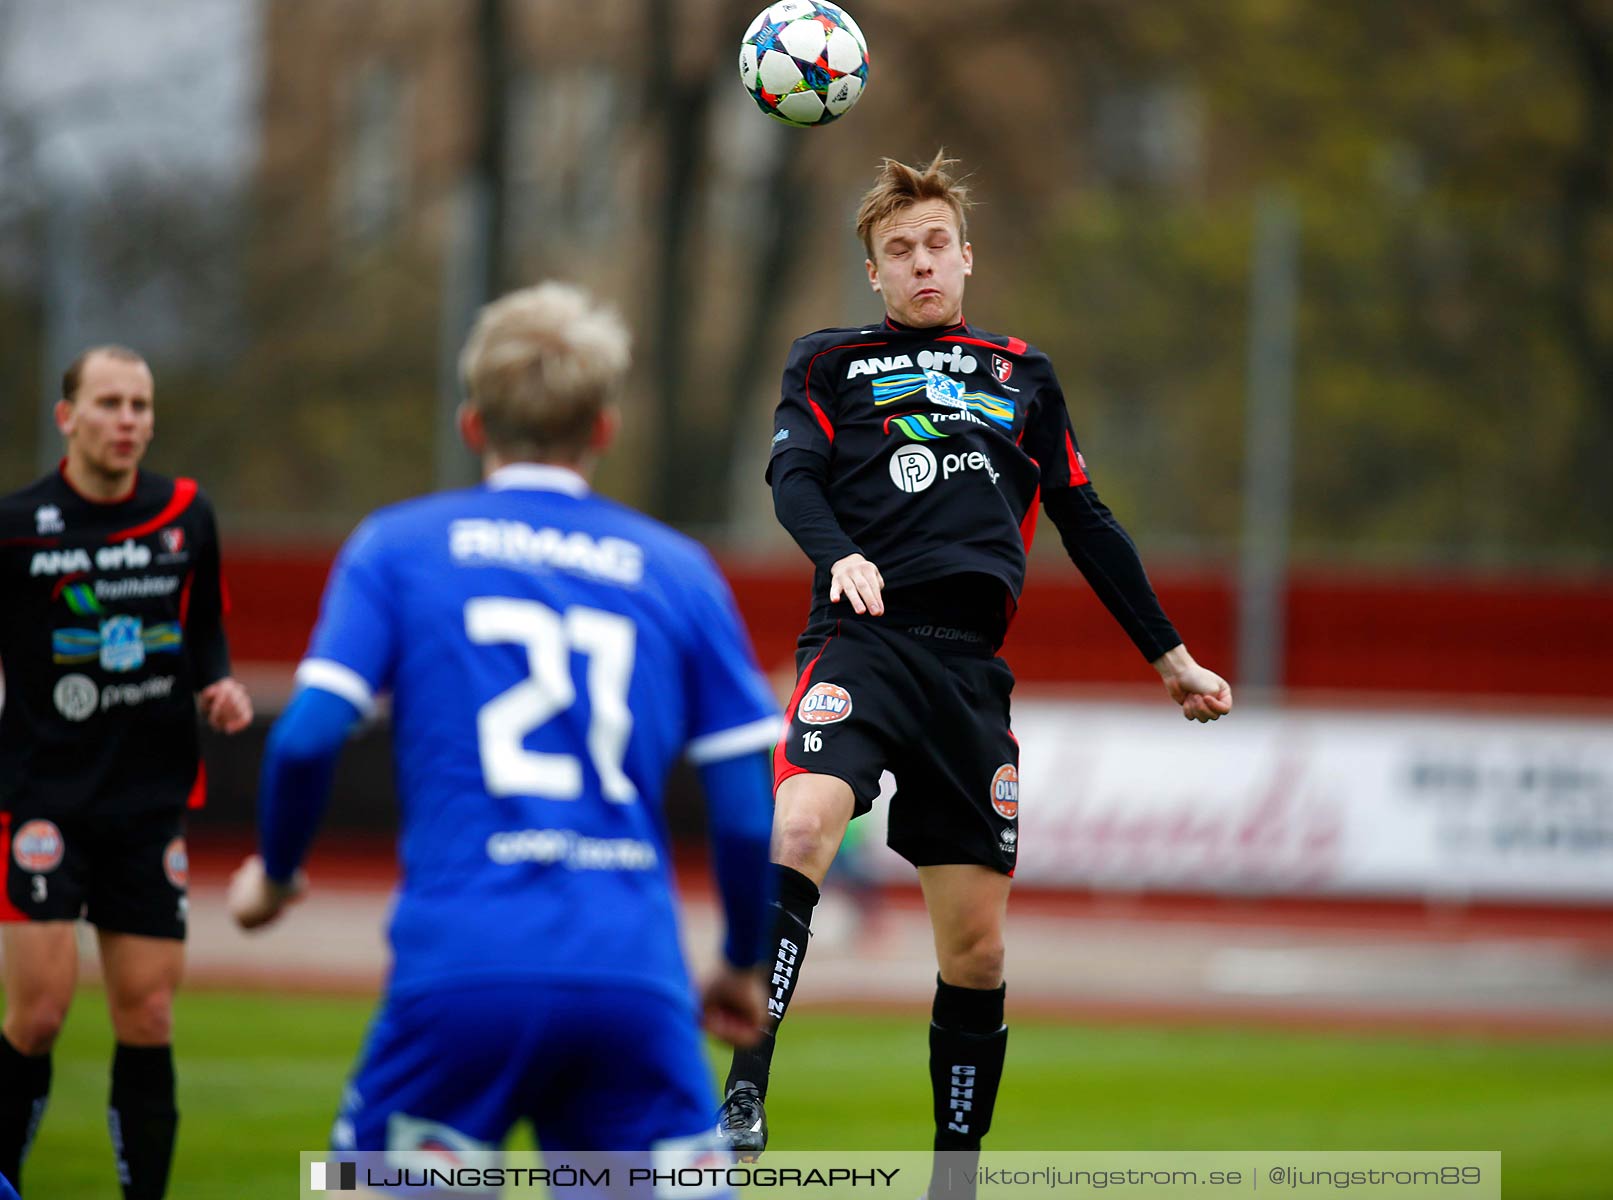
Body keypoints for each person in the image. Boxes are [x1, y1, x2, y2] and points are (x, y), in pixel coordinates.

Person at [715, 153, 1233, 1183]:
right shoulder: (829, 361)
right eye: (897, 250)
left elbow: (1085, 518)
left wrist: (1169, 656)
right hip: (861, 643)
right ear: (873, 271)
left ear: (966, 259)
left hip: (967, 678)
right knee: (803, 822)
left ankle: (958, 1169)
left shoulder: (1023, 374)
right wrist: (841, 555)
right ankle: (743, 1085)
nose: (920, 265)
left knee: (978, 956)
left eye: (936, 246)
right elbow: (792, 477)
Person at [228, 282, 779, 1186]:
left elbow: (304, 739)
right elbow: (749, 817)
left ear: (471, 421)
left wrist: (275, 874)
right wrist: (738, 962)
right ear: (603, 428)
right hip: (633, 980)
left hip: (462, 971)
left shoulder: (397, 547)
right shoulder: (680, 571)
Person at [0, 346, 254, 1198]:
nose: (129, 421)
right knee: (36, 1018)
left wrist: (216, 684)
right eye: (109, 403)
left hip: (146, 804)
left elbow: (205, 628)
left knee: (147, 1015)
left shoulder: (187, 512)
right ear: (67, 417)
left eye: (141, 406)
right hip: (41, 803)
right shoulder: (16, 524)